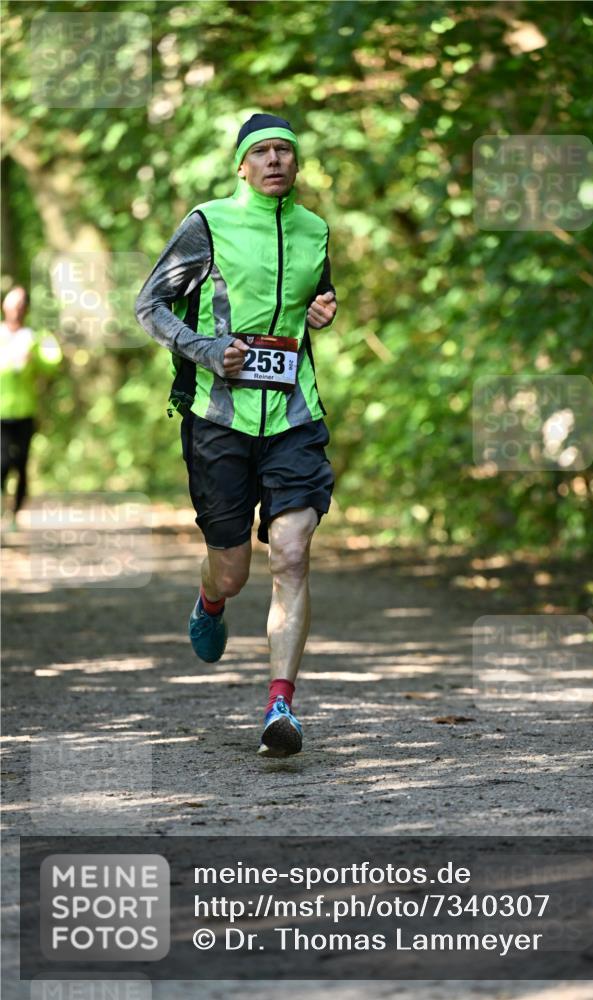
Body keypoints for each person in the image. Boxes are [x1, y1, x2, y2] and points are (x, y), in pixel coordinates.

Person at [135, 113, 337, 758]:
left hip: (294, 416)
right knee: (234, 568)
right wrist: (207, 348)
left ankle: (281, 704)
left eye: (286, 150)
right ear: (242, 166)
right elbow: (150, 305)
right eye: (263, 151)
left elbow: (317, 298)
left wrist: (323, 312)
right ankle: (210, 599)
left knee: (293, 553)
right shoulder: (208, 223)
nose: (276, 159)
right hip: (219, 418)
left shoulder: (314, 229)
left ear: (297, 164)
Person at [1, 286, 62, 529]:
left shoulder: (33, 337)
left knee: (22, 465)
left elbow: (51, 366)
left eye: (19, 306)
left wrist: (35, 355)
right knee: (2, 463)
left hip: (25, 411)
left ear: (25, 309)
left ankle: (14, 514)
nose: (14, 310)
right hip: (1, 413)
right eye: (10, 304)